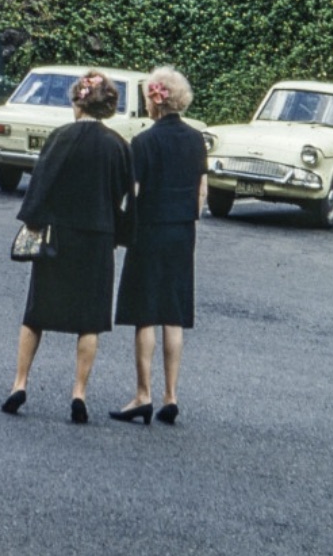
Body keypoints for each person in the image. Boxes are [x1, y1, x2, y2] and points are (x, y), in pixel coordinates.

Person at [1, 71, 133, 423]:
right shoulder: (118, 145)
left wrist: (32, 220)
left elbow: (40, 184)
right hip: (97, 236)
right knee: (89, 320)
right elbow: (122, 193)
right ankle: (78, 392)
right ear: (108, 106)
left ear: (78, 100)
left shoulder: (59, 138)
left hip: (57, 235)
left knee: (36, 313)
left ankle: (20, 383)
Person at [110, 66, 207, 425]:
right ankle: (171, 394)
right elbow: (201, 192)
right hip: (183, 231)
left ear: (155, 98)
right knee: (174, 313)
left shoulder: (144, 142)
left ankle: (142, 394)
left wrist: (121, 227)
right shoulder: (197, 139)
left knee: (145, 313)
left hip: (149, 230)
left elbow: (133, 194)